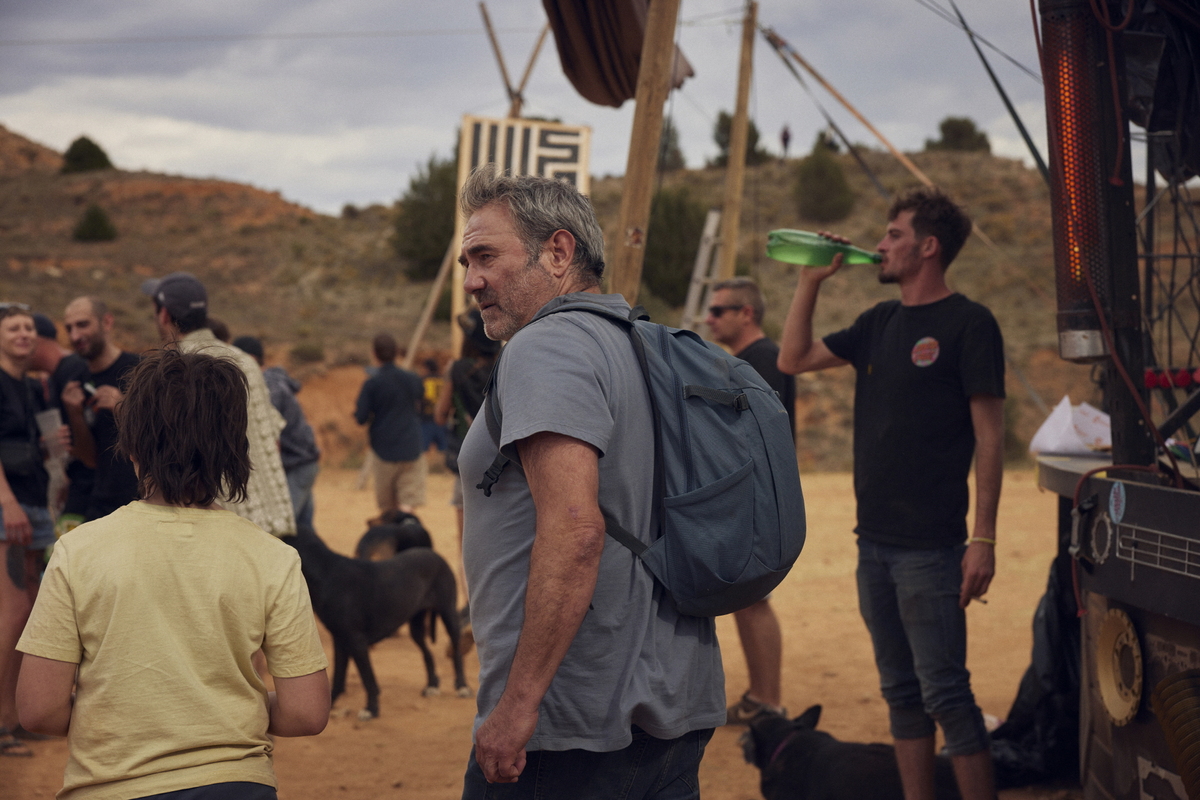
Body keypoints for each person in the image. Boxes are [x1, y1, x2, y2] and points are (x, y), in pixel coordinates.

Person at [456, 168, 724, 799]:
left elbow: (576, 531)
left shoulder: (545, 348)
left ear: (558, 251)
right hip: (674, 702)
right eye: (468, 262)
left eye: (486, 256)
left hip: (572, 724)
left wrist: (519, 706)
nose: (471, 281)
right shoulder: (641, 343)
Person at [16, 349, 329, 799]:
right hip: (237, 786)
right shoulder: (273, 558)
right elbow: (306, 712)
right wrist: (218, 712)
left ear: (131, 444)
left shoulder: (77, 551)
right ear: (234, 448)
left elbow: (38, 710)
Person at [776, 186, 1004, 800]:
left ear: (928, 247)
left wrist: (983, 538)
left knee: (947, 696)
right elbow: (793, 358)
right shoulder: (878, 322)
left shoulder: (970, 324)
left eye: (893, 234)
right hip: (872, 545)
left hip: (933, 549)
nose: (879, 245)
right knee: (901, 695)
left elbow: (990, 438)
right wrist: (811, 280)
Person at [142, 273, 295, 537]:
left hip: (225, 529)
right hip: (273, 522)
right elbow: (274, 439)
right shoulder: (245, 361)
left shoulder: (176, 369)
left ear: (164, 315)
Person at [704, 277, 792, 724]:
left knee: (755, 598)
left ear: (747, 314)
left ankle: (769, 703)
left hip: (758, 494)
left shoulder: (765, 361)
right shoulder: (747, 360)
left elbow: (759, 435)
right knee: (744, 597)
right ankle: (760, 698)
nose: (709, 319)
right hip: (748, 493)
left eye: (719, 310)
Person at [0, 303, 68, 757]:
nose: (23, 334)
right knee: (12, 612)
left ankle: (13, 716)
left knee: (26, 612)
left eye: (28, 327)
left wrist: (50, 453)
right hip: (8, 507)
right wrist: (6, 503)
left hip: (33, 504)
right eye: (13, 328)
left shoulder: (31, 387)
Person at [434, 308, 500, 602]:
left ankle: (473, 607)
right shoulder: (505, 364)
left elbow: (440, 415)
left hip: (468, 461)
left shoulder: (457, 369)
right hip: (503, 462)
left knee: (467, 543)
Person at [59, 297, 141, 522]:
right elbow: (90, 459)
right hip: (103, 505)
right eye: (69, 328)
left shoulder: (140, 370)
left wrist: (123, 408)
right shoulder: (75, 381)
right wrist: (75, 415)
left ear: (107, 322)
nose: (75, 336)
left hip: (144, 501)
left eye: (82, 325)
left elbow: (168, 438)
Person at [233, 335, 322, 531]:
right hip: (304, 462)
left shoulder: (267, 386)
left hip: (296, 465)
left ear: (249, 359)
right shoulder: (274, 380)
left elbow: (270, 437)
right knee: (303, 530)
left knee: (281, 529)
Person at [354, 334, 426, 517]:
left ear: (374, 354)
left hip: (383, 450)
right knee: (408, 504)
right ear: (396, 353)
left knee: (387, 509)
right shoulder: (413, 379)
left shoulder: (372, 384)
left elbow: (361, 417)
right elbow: (423, 405)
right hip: (411, 447)